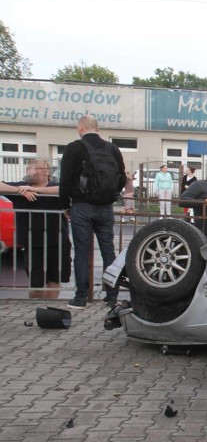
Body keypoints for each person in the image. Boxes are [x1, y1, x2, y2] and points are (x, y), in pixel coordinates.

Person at [59, 115, 126, 309]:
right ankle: (111, 296)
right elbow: (121, 178)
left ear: (80, 129)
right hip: (106, 207)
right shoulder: (112, 149)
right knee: (108, 251)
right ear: (98, 129)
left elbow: (65, 180)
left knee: (81, 251)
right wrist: (111, 194)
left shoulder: (74, 148)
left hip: (81, 206)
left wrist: (65, 206)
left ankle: (80, 298)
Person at [0, 160, 71, 299]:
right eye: (28, 168)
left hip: (58, 241)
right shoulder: (21, 187)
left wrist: (35, 190)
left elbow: (65, 190)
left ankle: (50, 310)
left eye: (35, 168)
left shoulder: (55, 185)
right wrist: (19, 190)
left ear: (46, 171)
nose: (30, 171)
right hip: (33, 244)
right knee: (36, 285)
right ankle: (34, 309)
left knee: (54, 281)